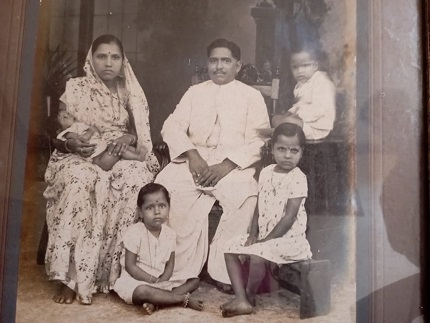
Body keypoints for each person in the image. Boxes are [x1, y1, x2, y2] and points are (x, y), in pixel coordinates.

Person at [43, 34, 160, 305]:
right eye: (102, 56)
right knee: (80, 179)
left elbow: (139, 135)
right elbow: (55, 133)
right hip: (78, 154)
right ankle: (70, 279)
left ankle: (115, 275)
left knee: (137, 179)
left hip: (118, 153)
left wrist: (127, 138)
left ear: (122, 61)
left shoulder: (129, 90)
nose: (108, 62)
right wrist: (71, 142)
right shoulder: (75, 88)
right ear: (91, 59)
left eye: (115, 57)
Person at [155, 38, 270, 291]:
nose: (219, 66)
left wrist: (226, 166)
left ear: (237, 66)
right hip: (193, 160)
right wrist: (193, 156)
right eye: (214, 60)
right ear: (207, 63)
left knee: (246, 193)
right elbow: (171, 126)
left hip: (233, 165)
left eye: (226, 61)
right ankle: (177, 267)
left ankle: (223, 272)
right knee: (164, 186)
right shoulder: (194, 92)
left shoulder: (252, 96)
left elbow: (258, 141)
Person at [221, 123, 312, 318]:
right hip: (265, 239)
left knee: (256, 255)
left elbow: (289, 218)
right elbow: (259, 208)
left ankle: (248, 296)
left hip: (289, 241)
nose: (287, 155)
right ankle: (241, 298)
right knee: (229, 248)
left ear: (301, 152)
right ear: (272, 149)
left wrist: (265, 241)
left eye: (294, 150)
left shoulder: (298, 178)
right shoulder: (266, 172)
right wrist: (253, 235)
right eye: (281, 149)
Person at [113, 183, 204, 314]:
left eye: (162, 206)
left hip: (161, 280)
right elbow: (130, 266)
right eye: (150, 208)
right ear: (140, 211)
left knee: (194, 280)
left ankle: (157, 301)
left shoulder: (170, 234)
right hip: (136, 281)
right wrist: (153, 282)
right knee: (143, 291)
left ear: (168, 207)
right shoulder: (134, 232)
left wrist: (162, 282)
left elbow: (170, 264)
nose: (157, 212)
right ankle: (181, 299)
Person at [271, 45, 336, 140]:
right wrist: (289, 113)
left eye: (305, 65)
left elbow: (319, 109)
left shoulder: (321, 81)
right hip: (304, 122)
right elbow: (299, 105)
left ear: (315, 66)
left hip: (316, 127)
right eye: (295, 67)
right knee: (275, 119)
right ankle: (281, 129)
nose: (299, 71)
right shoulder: (300, 85)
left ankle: (280, 131)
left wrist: (298, 116)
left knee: (288, 122)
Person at [52, 109, 146, 171]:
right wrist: (88, 132)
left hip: (101, 151)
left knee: (118, 147)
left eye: (67, 114)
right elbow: (80, 139)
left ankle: (138, 153)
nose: (68, 116)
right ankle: (138, 157)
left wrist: (92, 129)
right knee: (117, 151)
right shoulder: (68, 132)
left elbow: (95, 129)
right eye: (64, 118)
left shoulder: (77, 125)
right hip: (98, 160)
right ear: (59, 130)